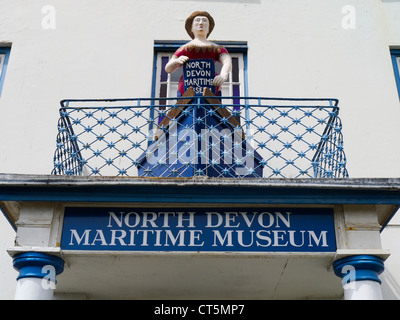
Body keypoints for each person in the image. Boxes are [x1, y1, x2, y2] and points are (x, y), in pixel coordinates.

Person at [165, 11, 232, 96]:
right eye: (197, 20)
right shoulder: (185, 48)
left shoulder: (216, 48)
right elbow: (168, 68)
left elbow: (227, 61)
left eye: (204, 20)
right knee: (186, 106)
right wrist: (176, 61)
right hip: (188, 83)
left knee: (212, 106)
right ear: (191, 28)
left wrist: (223, 74)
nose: (201, 23)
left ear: (209, 28)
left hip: (211, 83)